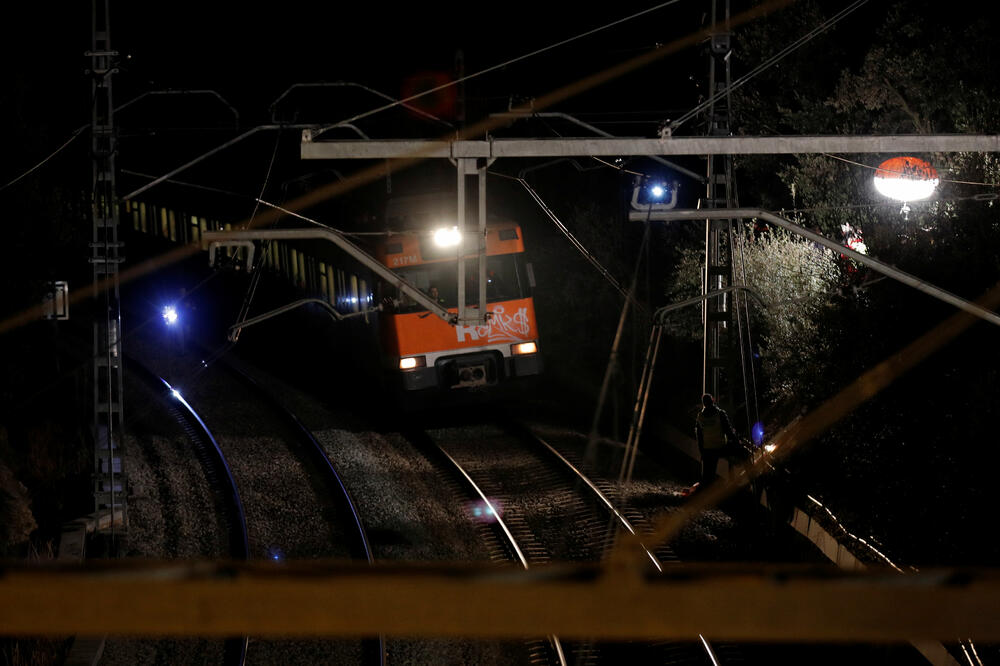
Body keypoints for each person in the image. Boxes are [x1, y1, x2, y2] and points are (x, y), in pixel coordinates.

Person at [694, 393, 738, 488]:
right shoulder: (720, 414)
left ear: (704, 404)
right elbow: (728, 431)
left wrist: (702, 451)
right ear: (712, 401)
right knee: (737, 455)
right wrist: (736, 442)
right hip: (720, 447)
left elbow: (699, 435)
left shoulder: (700, 416)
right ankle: (734, 480)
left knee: (708, 475)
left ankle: (706, 494)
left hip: (707, 449)